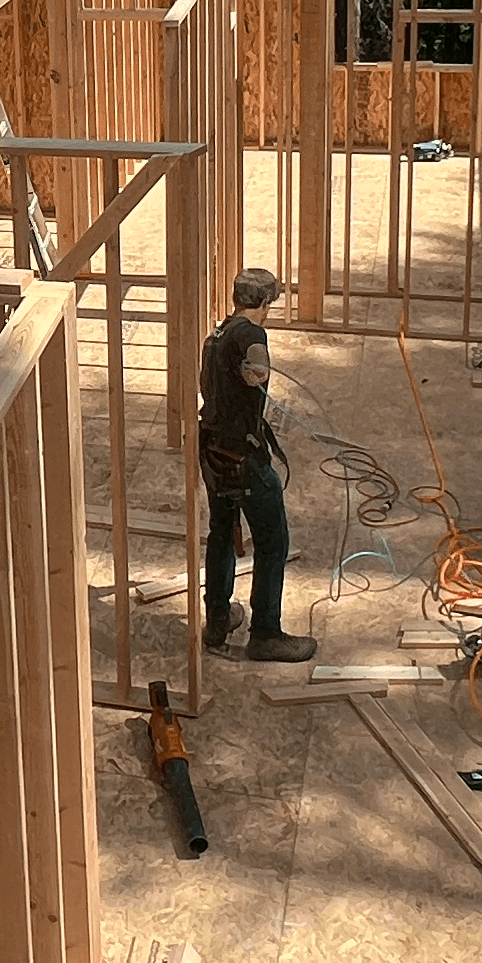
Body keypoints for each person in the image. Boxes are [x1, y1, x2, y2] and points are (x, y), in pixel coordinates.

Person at [198, 265, 315, 664]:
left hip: (213, 452)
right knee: (272, 540)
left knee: (221, 531)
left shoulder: (216, 334)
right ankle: (265, 633)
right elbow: (257, 373)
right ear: (265, 302)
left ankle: (216, 619)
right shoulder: (252, 335)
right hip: (242, 460)